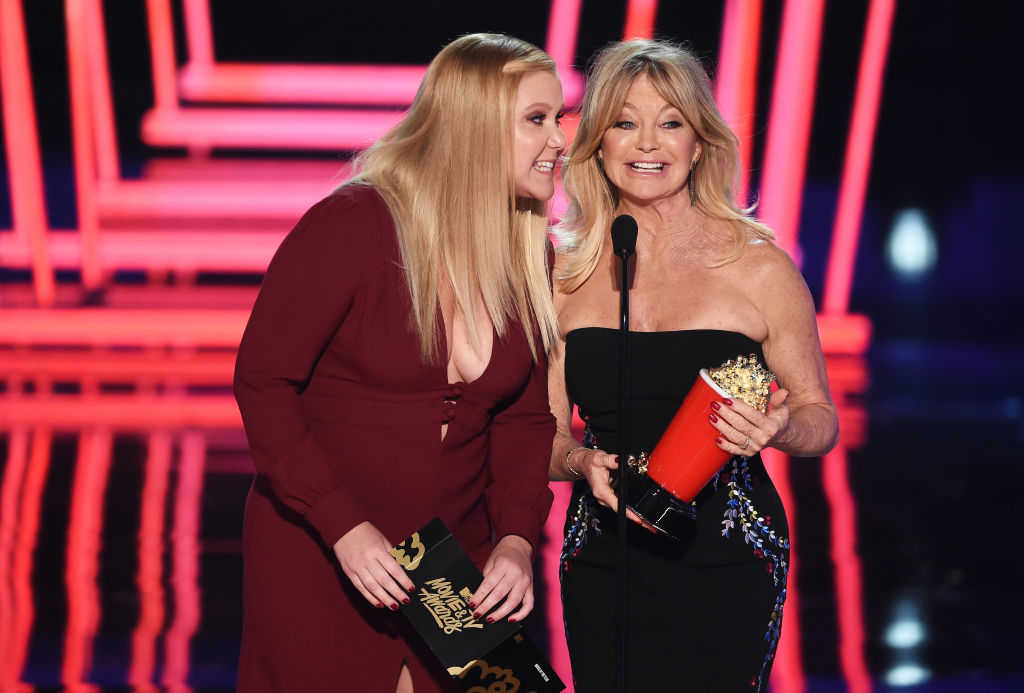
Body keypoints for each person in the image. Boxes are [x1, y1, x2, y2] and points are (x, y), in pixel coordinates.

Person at [233, 33, 566, 693]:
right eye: (537, 120)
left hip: (454, 575)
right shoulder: (352, 225)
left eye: (558, 118)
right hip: (325, 552)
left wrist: (517, 541)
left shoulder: (532, 254)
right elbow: (264, 383)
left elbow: (524, 419)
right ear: (474, 125)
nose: (559, 140)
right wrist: (343, 525)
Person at [548, 40, 839, 692]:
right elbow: (539, 436)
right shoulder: (564, 275)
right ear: (597, 142)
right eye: (625, 122)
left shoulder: (759, 265)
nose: (647, 143)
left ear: (700, 143)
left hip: (729, 556)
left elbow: (819, 419)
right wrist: (576, 461)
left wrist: (778, 430)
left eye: (671, 122)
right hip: (603, 555)